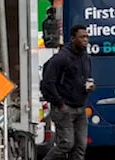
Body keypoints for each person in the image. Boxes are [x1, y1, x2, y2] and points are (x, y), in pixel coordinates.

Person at [40, 24, 93, 160]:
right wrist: (60, 103)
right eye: (82, 37)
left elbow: (83, 78)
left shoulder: (85, 57)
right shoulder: (61, 58)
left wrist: (89, 87)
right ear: (73, 38)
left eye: (87, 37)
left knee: (81, 146)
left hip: (80, 108)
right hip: (64, 108)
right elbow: (48, 83)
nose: (85, 40)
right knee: (66, 144)